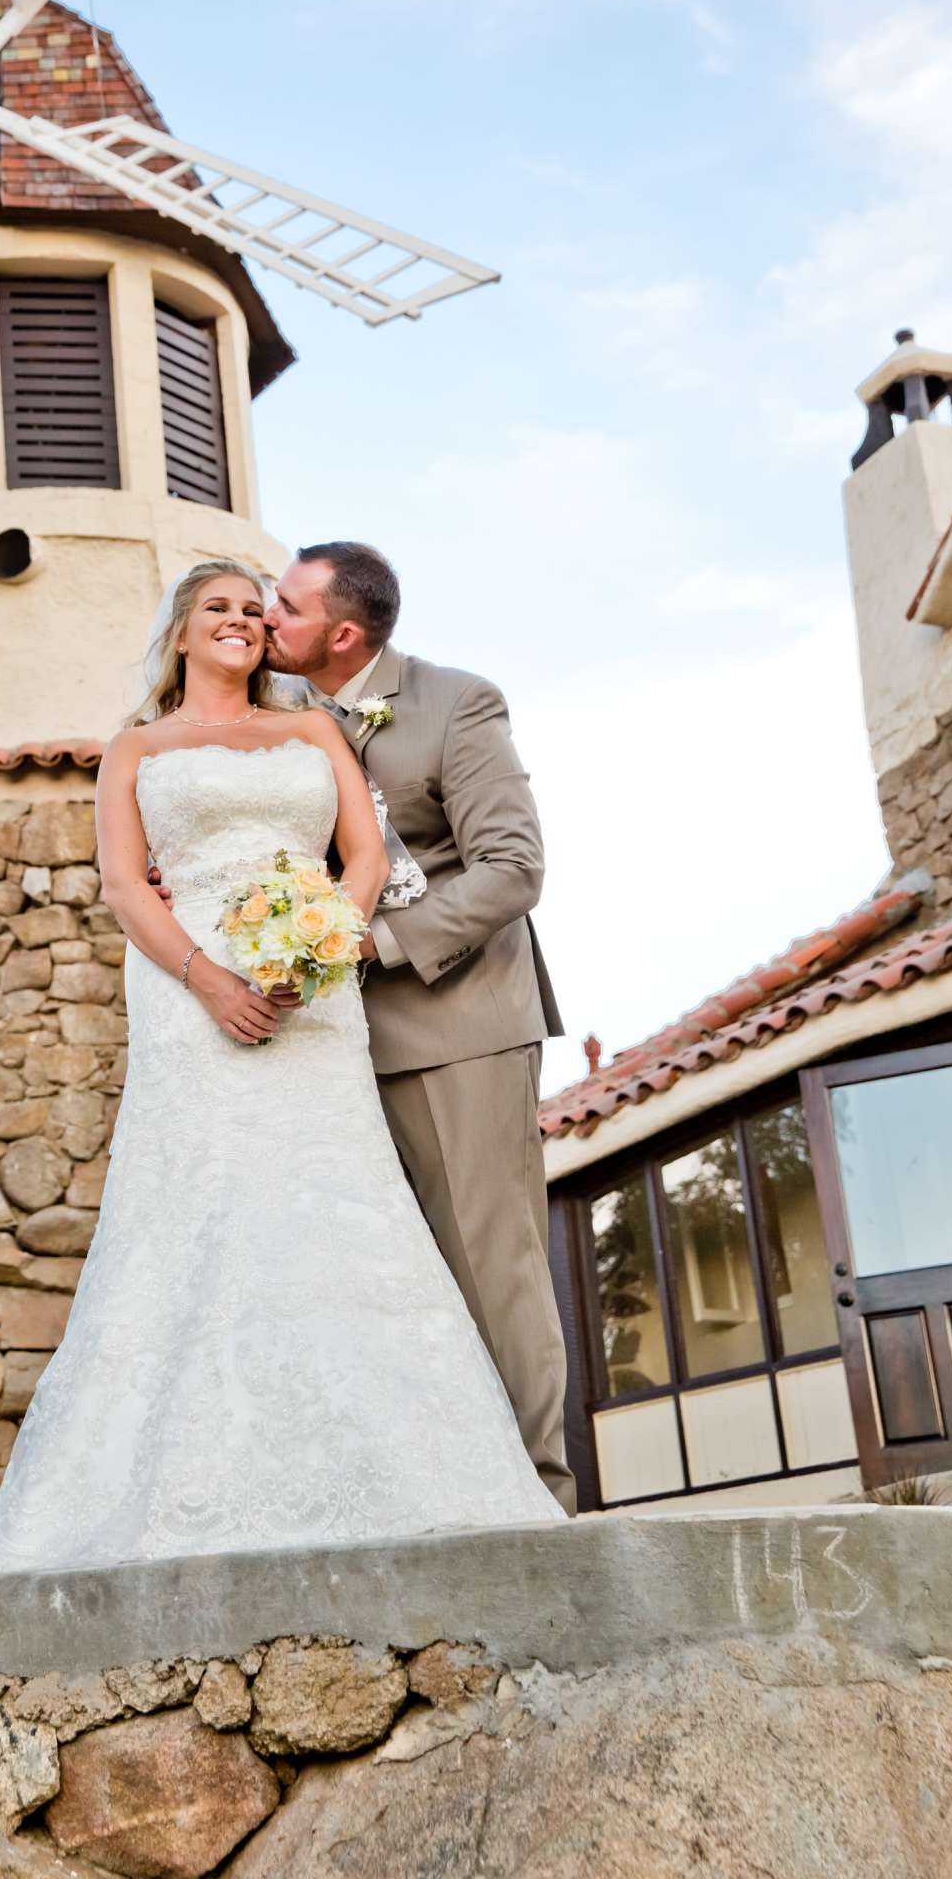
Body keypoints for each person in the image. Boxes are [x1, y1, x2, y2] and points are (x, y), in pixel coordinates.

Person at [0, 557, 562, 1582]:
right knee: (206, 1223)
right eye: (224, 607)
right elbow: (127, 882)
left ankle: (515, 1492)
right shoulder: (142, 744)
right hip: (197, 999)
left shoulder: (339, 722)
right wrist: (205, 972)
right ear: (175, 631)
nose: (252, 621)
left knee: (393, 1237)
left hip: (358, 1004)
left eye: (267, 610)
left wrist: (320, 947)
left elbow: (391, 863)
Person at [262, 542, 574, 1515]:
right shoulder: (270, 712)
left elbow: (512, 868)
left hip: (454, 1026)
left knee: (487, 1263)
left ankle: (537, 1503)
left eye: (286, 607)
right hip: (316, 1045)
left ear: (342, 633)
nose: (266, 619)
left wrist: (377, 946)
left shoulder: (455, 702)